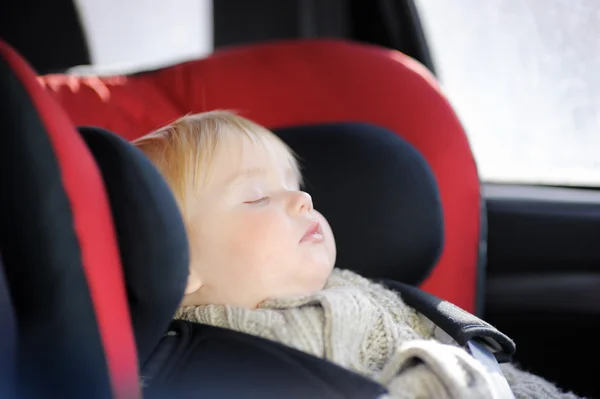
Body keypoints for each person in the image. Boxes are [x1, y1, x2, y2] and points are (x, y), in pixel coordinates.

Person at [133, 110, 581, 399]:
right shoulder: (244, 355)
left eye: (295, 186)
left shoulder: (352, 288)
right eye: (256, 197)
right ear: (181, 263)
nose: (301, 201)